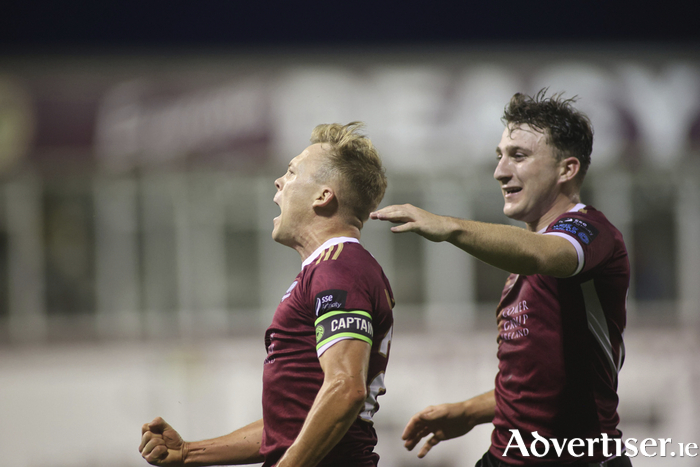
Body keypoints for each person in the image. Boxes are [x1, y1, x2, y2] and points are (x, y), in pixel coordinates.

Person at [371, 90, 630, 466]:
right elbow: (544, 380)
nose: (500, 171)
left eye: (519, 156)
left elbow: (543, 253)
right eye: (499, 156)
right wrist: (470, 411)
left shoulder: (589, 231)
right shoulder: (524, 260)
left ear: (567, 169)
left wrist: (448, 226)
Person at [139, 122, 395, 467]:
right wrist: (189, 452)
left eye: (291, 172)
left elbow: (346, 388)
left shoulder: (338, 268)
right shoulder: (332, 268)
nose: (279, 181)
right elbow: (291, 428)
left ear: (323, 196)